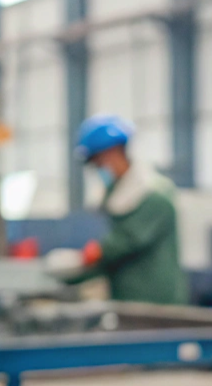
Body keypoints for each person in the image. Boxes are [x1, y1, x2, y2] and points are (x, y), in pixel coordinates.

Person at [66, 114, 187, 305]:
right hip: (125, 296)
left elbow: (128, 239)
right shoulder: (114, 193)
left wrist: (94, 254)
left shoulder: (155, 195)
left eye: (99, 162)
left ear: (113, 153)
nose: (99, 169)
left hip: (156, 301)